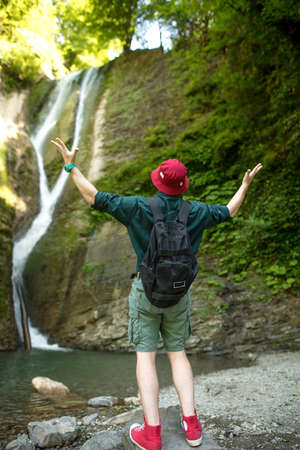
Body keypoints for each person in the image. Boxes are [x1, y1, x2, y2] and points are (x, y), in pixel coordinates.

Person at [51, 137, 262, 450]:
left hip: (145, 293)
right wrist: (244, 185)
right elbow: (229, 211)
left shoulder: (138, 207)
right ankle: (192, 428)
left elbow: (95, 198)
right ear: (183, 186)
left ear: (159, 182)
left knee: (145, 358)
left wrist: (71, 167)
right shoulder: (198, 212)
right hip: (179, 296)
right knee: (178, 354)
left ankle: (151, 435)